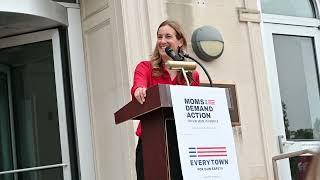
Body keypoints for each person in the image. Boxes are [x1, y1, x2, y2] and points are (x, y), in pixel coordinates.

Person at [131, 20, 200, 180]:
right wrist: (139, 90)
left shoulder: (191, 74)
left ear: (180, 41)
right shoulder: (145, 68)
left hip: (182, 143)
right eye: (159, 37)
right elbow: (138, 86)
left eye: (168, 36)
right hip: (151, 143)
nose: (162, 41)